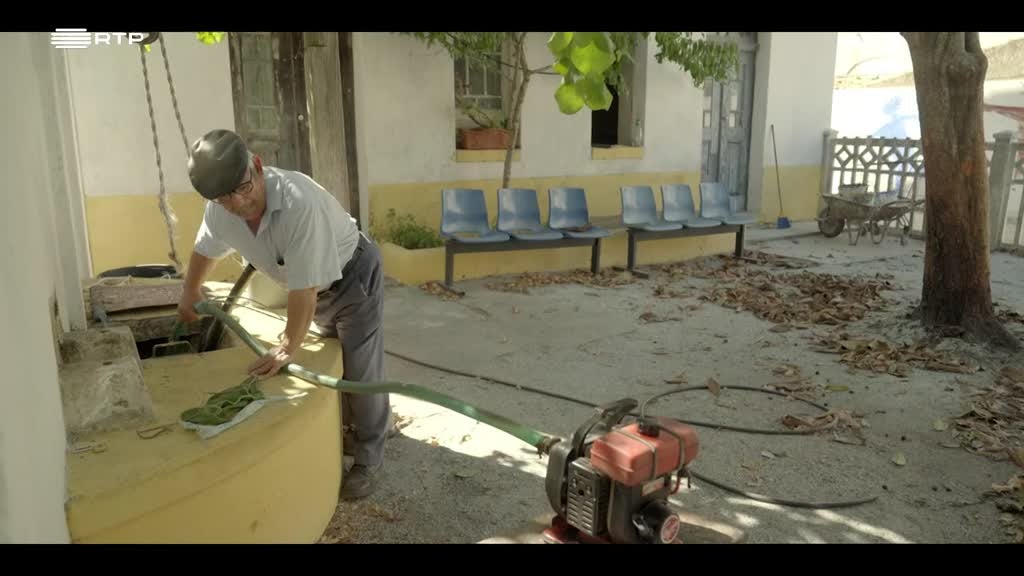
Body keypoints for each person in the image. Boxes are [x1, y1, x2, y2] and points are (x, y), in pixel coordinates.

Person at [177, 128, 390, 500]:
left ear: (257, 167)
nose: (238, 203)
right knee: (333, 364)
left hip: (353, 276)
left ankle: (369, 457)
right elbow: (205, 248)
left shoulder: (297, 202)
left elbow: (303, 288)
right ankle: (349, 431)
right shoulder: (221, 209)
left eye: (242, 188)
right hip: (314, 287)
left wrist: (288, 346)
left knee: (361, 367)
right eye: (224, 198)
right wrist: (190, 291)